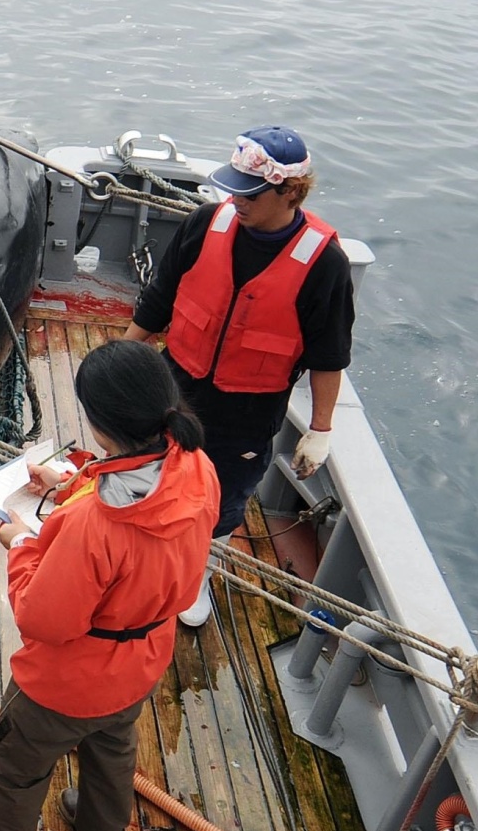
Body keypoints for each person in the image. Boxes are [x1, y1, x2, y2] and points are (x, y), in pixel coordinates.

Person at [0, 341, 220, 831]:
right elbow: (134, 498)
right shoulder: (197, 468)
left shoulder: (94, 528)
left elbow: (43, 620)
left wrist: (21, 542)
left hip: (67, 685)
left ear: (100, 425)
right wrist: (68, 485)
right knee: (113, 747)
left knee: (16, 771)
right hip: (142, 661)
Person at [121, 125, 355, 627]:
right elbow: (160, 297)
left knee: (222, 498)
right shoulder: (206, 223)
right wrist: (122, 354)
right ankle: (134, 550)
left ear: (291, 192)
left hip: (247, 411)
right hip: (174, 382)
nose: (237, 201)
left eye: (251, 193)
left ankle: (197, 575)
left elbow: (329, 356)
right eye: (234, 189)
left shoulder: (324, 265)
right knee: (146, 465)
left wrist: (320, 429)